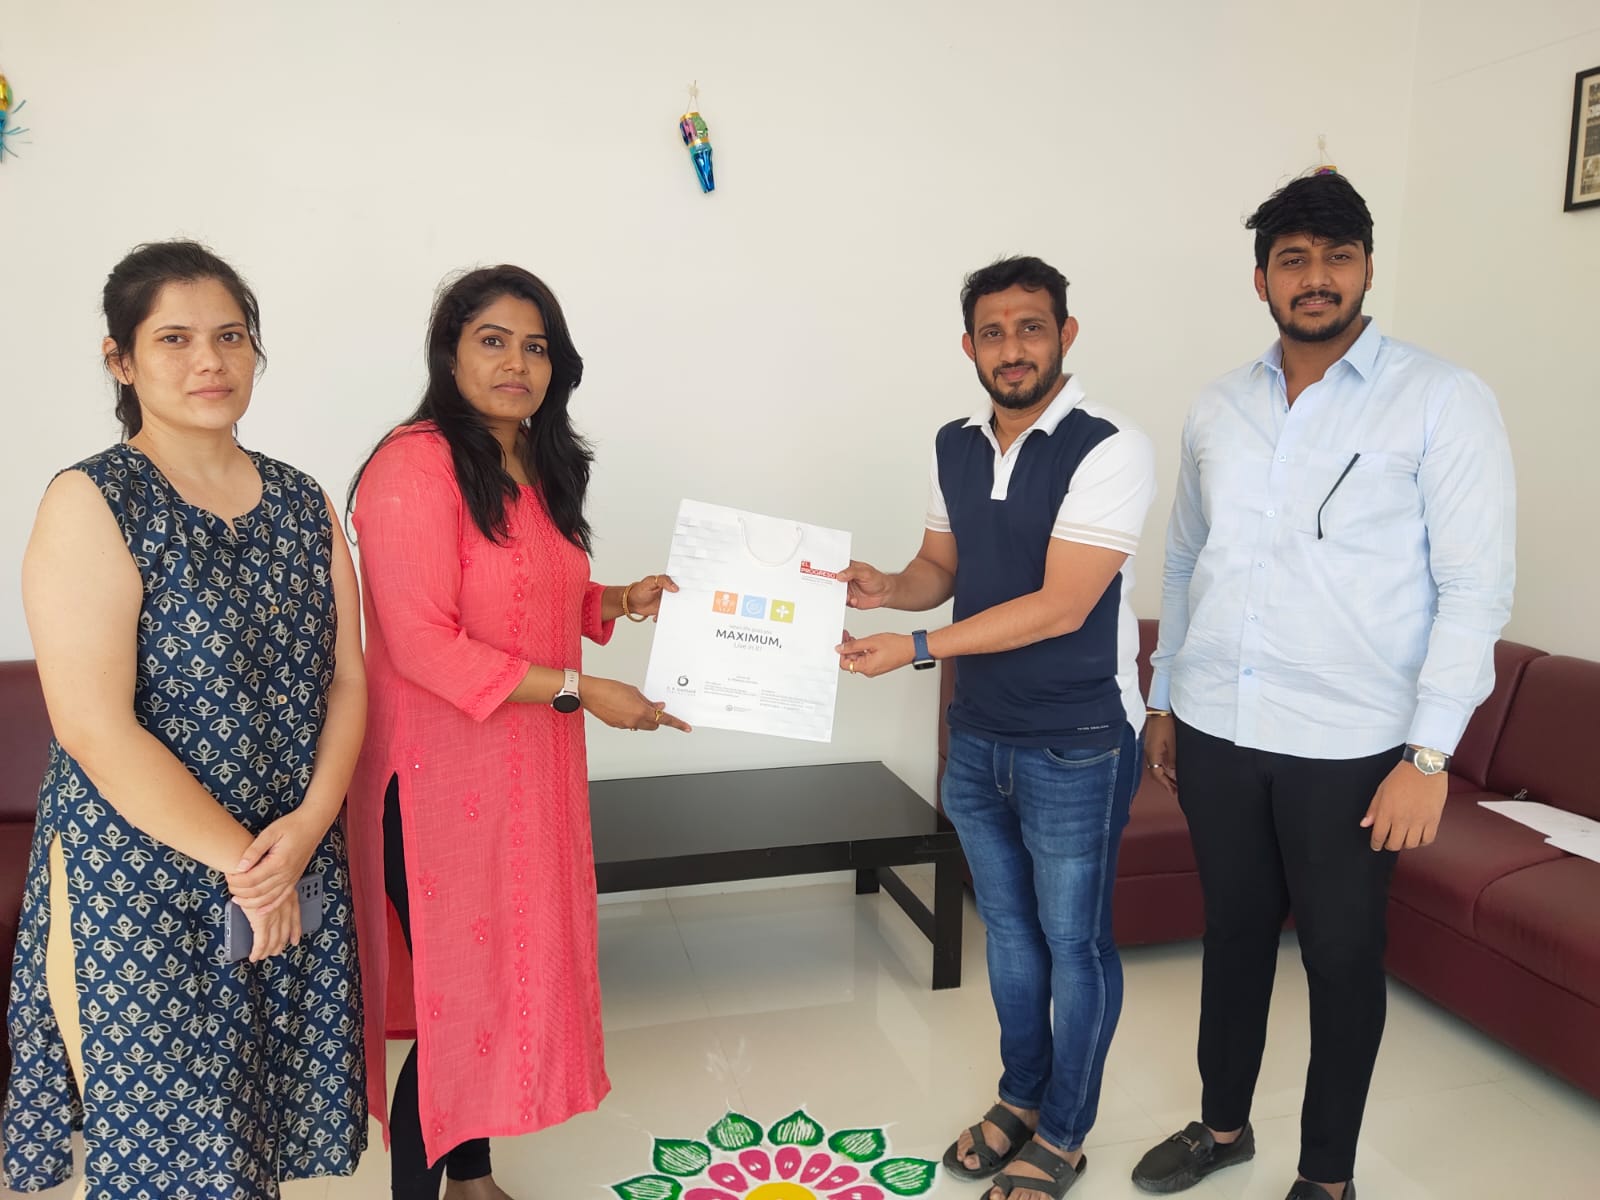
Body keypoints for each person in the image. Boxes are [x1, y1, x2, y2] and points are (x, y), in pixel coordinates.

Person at [1131, 172, 1515, 1200]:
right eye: (1292, 259)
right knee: (1232, 937)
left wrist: (1427, 755)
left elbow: (1474, 589)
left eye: (1336, 256)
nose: (1315, 277)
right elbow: (1186, 560)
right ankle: (1222, 1128)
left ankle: (1327, 1174)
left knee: (1342, 958)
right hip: (1217, 726)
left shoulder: (1441, 399)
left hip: (1351, 746)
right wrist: (1164, 699)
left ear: (1368, 269)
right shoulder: (1219, 406)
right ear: (1260, 278)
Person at [3, 241, 369, 1199]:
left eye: (230, 336)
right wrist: (252, 868)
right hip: (143, 880)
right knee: (166, 1148)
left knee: (255, 1130)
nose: (209, 359)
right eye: (174, 338)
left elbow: (347, 681)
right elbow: (94, 728)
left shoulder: (301, 500)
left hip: (289, 852)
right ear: (120, 359)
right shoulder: (92, 500)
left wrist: (304, 832)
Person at [346, 265, 689, 1200]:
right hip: (434, 779)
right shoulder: (412, 466)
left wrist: (618, 599)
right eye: (492, 340)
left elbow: (530, 596)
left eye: (536, 347)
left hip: (526, 766)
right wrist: (585, 691)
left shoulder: (537, 460)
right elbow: (423, 642)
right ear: (449, 353)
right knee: (459, 1005)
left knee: (499, 986)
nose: (517, 364)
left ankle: (473, 1182)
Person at [838, 256, 1156, 1200]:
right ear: (969, 345)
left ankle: (1063, 1132)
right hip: (977, 734)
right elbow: (941, 568)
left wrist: (916, 646)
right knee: (1010, 935)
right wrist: (886, 589)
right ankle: (1021, 1097)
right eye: (992, 332)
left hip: (1077, 740)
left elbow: (1063, 605)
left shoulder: (1109, 447)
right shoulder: (957, 443)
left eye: (1030, 327)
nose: (1011, 348)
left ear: (1066, 333)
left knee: (1074, 944)